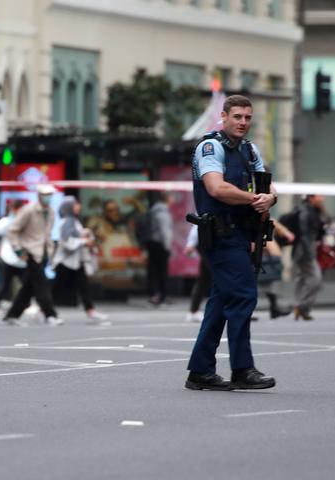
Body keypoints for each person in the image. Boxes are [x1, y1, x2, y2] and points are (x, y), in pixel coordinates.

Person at [185, 95, 278, 391]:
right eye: (237, 117)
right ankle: (242, 369)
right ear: (223, 117)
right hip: (221, 234)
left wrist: (271, 197)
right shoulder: (210, 147)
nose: (243, 123)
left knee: (222, 301)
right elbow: (216, 187)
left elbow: (267, 185)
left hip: (241, 234)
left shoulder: (249, 150)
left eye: (248, 118)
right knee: (243, 296)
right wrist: (255, 199)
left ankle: (200, 372)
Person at [3, 184, 63, 326]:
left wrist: (50, 252)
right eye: (45, 194)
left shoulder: (51, 212)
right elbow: (12, 230)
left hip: (42, 253)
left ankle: (12, 315)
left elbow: (47, 234)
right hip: (30, 252)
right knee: (42, 285)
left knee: (28, 288)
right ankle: (50, 314)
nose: (48, 197)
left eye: (50, 195)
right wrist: (18, 250)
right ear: (39, 195)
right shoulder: (28, 211)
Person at [51, 196, 107, 322]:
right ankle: (44, 309)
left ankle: (90, 310)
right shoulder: (66, 222)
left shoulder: (74, 221)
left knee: (83, 286)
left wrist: (85, 235)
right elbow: (67, 242)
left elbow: (77, 235)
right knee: (56, 287)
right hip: (65, 261)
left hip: (76, 261)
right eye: (75, 204)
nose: (78, 206)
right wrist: (83, 241)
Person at [0, 200, 27, 315]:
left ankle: (24, 304)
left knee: (23, 283)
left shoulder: (18, 221)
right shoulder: (8, 223)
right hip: (9, 258)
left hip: (19, 258)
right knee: (6, 284)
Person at [292, 194, 326, 321]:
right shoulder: (306, 211)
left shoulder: (313, 210)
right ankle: (302, 305)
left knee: (302, 277)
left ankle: (302, 307)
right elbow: (304, 234)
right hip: (305, 251)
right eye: (319, 196)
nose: (322, 198)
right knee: (315, 278)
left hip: (305, 250)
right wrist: (309, 252)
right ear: (311, 198)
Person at [146, 192, 175, 306]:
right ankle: (161, 295)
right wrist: (167, 247)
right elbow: (165, 231)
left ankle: (154, 294)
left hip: (152, 243)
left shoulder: (154, 210)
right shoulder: (162, 212)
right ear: (167, 199)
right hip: (160, 244)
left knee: (153, 270)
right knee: (162, 271)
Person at [184, 224, 210, 323]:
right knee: (216, 276)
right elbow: (198, 223)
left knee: (204, 278)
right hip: (207, 241)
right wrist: (190, 244)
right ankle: (193, 311)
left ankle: (193, 310)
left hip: (209, 240)